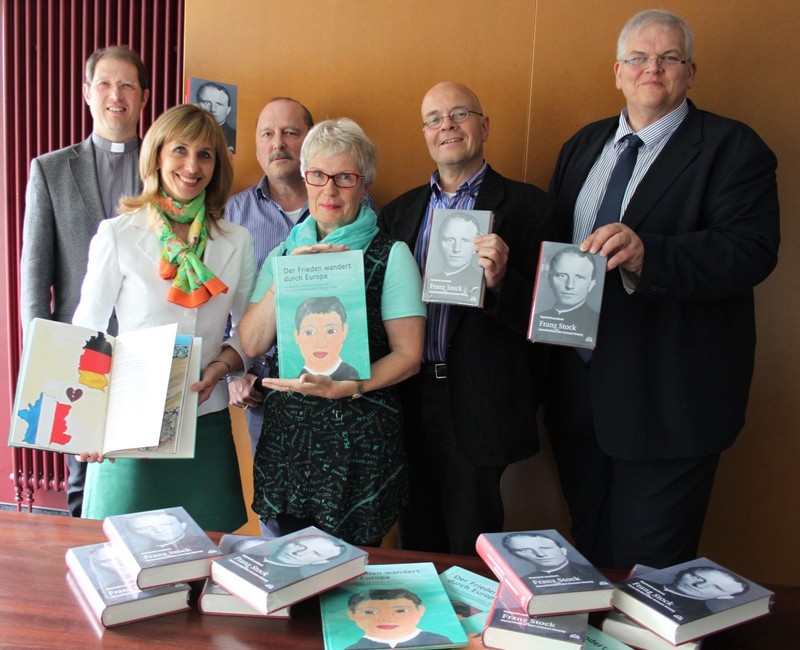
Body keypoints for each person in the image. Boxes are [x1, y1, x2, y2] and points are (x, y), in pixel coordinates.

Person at [546, 9, 780, 570]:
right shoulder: (584, 145)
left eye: (669, 57)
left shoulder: (732, 148)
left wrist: (652, 254)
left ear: (690, 72)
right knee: (590, 560)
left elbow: (751, 251)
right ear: (618, 73)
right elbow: (556, 251)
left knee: (648, 575)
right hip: (580, 398)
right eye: (639, 57)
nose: (653, 67)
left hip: (669, 402)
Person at [378, 81, 557, 555]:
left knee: (469, 541)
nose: (447, 126)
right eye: (434, 118)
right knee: (413, 537)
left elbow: (555, 316)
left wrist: (501, 283)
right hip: (407, 395)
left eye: (459, 114)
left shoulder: (531, 207)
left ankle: (473, 631)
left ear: (484, 125)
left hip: (480, 403)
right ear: (425, 133)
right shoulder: (399, 213)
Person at [240, 117, 425, 547]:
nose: (330, 190)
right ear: (305, 178)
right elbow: (252, 342)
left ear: (365, 184)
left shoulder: (391, 255)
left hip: (358, 440)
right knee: (288, 567)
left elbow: (409, 355)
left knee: (350, 576)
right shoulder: (284, 252)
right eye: (318, 176)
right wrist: (288, 273)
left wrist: (352, 387)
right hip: (289, 443)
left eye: (344, 177)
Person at [72, 103, 257, 532]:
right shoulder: (118, 234)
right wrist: (85, 422)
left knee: (206, 556)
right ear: (157, 155)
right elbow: (87, 328)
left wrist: (222, 367)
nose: (192, 166)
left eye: (206, 154)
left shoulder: (237, 239)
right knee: (122, 559)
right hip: (129, 422)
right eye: (180, 150)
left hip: (204, 417)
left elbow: (248, 329)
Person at [20, 45, 150, 518]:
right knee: (81, 480)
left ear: (143, 97)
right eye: (105, 84)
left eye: (127, 85)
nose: (115, 95)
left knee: (141, 477)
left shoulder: (165, 169)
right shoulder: (50, 170)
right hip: (79, 351)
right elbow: (35, 277)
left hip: (146, 352)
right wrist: (40, 362)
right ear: (86, 94)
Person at [226, 97, 376, 456]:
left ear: (309, 142)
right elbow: (222, 298)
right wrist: (235, 372)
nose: (277, 143)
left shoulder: (360, 209)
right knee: (279, 504)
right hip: (263, 384)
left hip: (344, 383)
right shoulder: (234, 212)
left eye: (290, 133)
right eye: (267, 134)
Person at [345, 589, 453, 649]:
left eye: (401, 611)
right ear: (351, 615)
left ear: (420, 610)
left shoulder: (440, 642)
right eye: (370, 612)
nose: (387, 619)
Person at [641, 566, 749, 619]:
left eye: (716, 587)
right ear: (682, 572)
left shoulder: (699, 618)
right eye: (697, 577)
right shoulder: (637, 582)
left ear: (726, 597)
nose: (699, 585)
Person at [293, 297, 360, 379]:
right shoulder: (293, 380)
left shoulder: (352, 374)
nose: (320, 344)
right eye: (309, 332)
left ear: (344, 331)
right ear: (297, 336)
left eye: (331, 331)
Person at [501, 532, 605, 584]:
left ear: (563, 550)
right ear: (516, 555)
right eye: (525, 550)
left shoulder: (595, 575)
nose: (540, 554)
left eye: (546, 548)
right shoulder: (522, 583)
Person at [537, 247, 599, 332]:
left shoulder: (598, 325)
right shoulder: (536, 320)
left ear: (591, 285)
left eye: (579, 277)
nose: (569, 285)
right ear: (550, 280)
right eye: (562, 276)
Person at [196, 81, 236, 153]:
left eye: (219, 104)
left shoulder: (234, 138)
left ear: (228, 110)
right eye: (206, 102)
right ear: (197, 105)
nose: (213, 109)